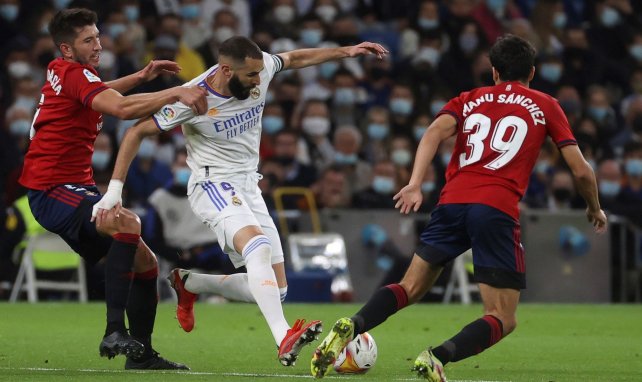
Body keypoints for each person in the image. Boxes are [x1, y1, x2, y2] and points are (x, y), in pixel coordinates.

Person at [310, 34, 608, 380]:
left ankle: (354, 322)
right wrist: (594, 207)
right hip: (495, 208)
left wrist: (415, 182)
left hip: (451, 202)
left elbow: (434, 133)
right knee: (502, 315)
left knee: (409, 288)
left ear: (494, 72)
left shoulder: (469, 99)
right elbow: (582, 172)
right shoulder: (544, 104)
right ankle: (436, 356)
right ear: (533, 71)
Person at [92, 36, 388, 366]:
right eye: (250, 75)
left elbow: (296, 58)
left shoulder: (259, 68)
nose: (258, 80)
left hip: (249, 185)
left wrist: (345, 51)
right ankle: (283, 336)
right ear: (227, 69)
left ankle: (190, 282)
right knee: (257, 248)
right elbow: (135, 132)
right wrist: (114, 191)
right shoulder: (195, 97)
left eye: (260, 72)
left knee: (275, 291)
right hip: (212, 183)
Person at [18, 8, 208, 370]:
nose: (98, 45)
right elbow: (119, 109)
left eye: (98, 36)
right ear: (67, 48)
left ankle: (142, 356)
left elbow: (102, 92)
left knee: (146, 261)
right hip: (52, 188)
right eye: (88, 40)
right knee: (127, 222)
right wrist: (175, 93)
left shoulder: (67, 73)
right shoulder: (74, 73)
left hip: (71, 187)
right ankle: (113, 331)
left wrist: (141, 76)